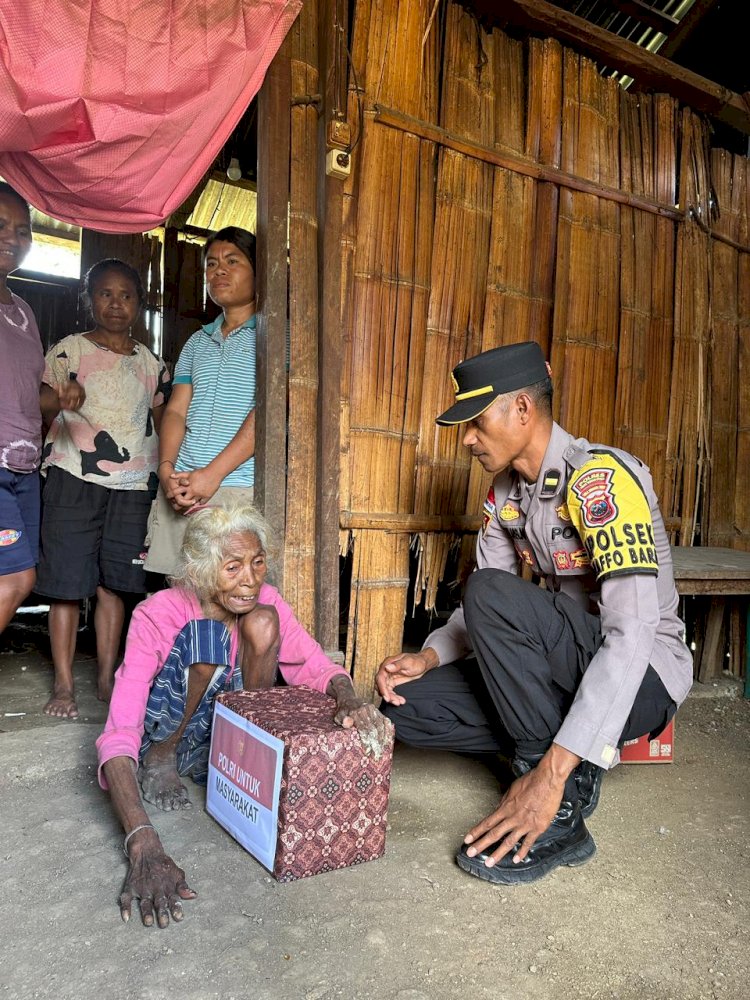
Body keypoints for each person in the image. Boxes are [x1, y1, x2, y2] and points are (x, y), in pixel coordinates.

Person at [376, 341, 693, 885]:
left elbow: (632, 633)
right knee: (407, 708)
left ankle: (558, 800)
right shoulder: (506, 495)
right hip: (563, 663)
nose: (467, 439)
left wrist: (549, 773)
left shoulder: (601, 482)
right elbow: (479, 614)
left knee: (491, 592)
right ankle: (573, 746)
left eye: (476, 421)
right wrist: (428, 658)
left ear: (522, 409)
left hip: (642, 675)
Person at [97, 501, 390, 928]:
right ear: (199, 568)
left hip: (222, 729)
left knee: (263, 620)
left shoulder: (265, 598)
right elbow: (119, 727)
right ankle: (164, 757)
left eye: (257, 563)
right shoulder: (157, 613)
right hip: (166, 729)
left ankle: (241, 756)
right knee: (207, 639)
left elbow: (314, 663)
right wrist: (142, 839)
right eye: (232, 567)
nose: (250, 580)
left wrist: (346, 695)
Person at [37, 259, 171, 719]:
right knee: (67, 586)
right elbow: (39, 399)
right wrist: (60, 398)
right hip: (73, 476)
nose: (116, 304)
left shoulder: (151, 363)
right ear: (88, 299)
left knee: (116, 585)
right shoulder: (68, 351)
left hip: (135, 485)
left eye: (126, 295)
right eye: (105, 294)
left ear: (139, 303)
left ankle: (105, 676)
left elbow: (163, 418)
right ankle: (62, 682)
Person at [144, 227, 257, 578]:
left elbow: (267, 415)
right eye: (211, 264)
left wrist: (212, 476)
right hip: (181, 482)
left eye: (232, 261)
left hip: (236, 486)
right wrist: (166, 470)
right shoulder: (198, 342)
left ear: (259, 271)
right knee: (179, 593)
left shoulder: (277, 338)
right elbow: (176, 410)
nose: (218, 271)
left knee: (230, 593)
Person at [0, 183, 44, 636]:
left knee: (16, 577)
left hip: (24, 470)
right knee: (15, 578)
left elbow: (25, 389)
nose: (13, 238)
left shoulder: (24, 312)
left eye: (23, 230)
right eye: (0, 226)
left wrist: (62, 399)